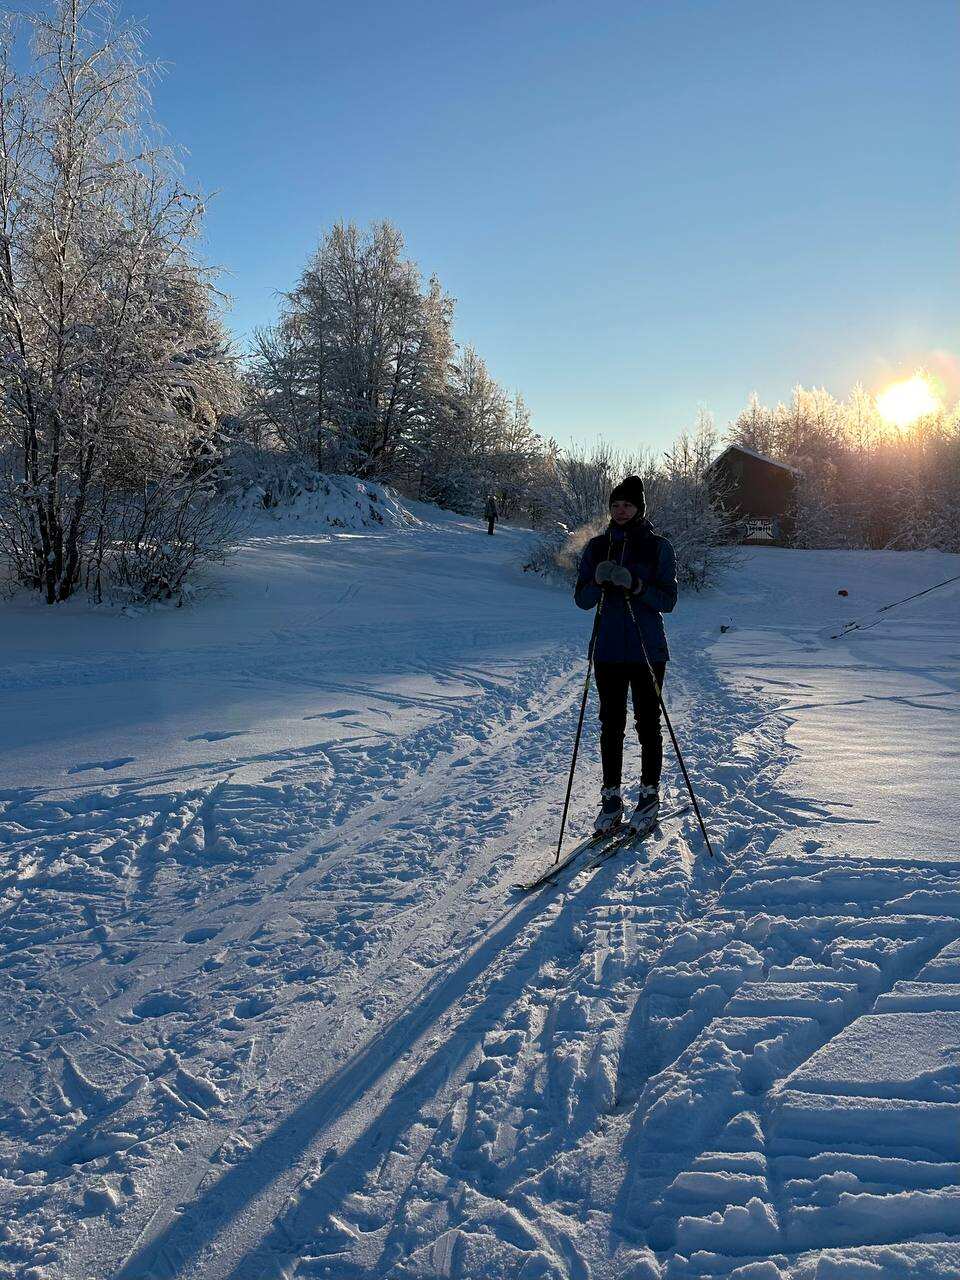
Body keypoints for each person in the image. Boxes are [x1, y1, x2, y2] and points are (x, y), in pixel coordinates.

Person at [574, 475, 678, 833]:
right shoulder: (596, 547)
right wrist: (598, 580)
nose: (621, 511)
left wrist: (634, 585)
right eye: (616, 505)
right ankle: (611, 796)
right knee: (611, 725)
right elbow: (582, 600)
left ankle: (649, 794)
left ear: (639, 508)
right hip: (607, 651)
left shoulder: (658, 547)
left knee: (648, 723)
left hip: (648, 650)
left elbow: (668, 600)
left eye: (628, 505)